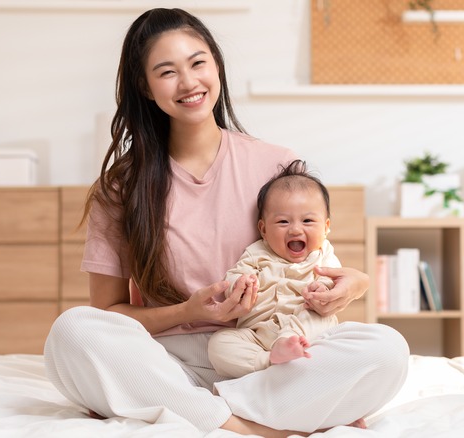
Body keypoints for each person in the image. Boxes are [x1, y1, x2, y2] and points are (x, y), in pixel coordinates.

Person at [43, 8, 409, 437]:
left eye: (198, 63)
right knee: (73, 331)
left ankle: (179, 407)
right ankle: (250, 423)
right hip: (169, 359)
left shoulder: (277, 164)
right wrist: (187, 311)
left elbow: (315, 258)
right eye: (167, 72)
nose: (189, 82)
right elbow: (108, 314)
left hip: (267, 351)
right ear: (144, 86)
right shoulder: (120, 187)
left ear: (216, 64)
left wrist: (356, 285)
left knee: (388, 350)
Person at [208, 159, 342, 378]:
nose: (295, 230)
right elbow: (235, 276)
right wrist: (240, 284)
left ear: (326, 227)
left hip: (304, 330)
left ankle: (288, 345)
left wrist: (324, 288)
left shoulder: (323, 253)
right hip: (258, 336)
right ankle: (269, 361)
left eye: (308, 221)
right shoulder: (256, 252)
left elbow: (335, 278)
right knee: (219, 343)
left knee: (323, 317)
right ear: (263, 229)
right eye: (283, 222)